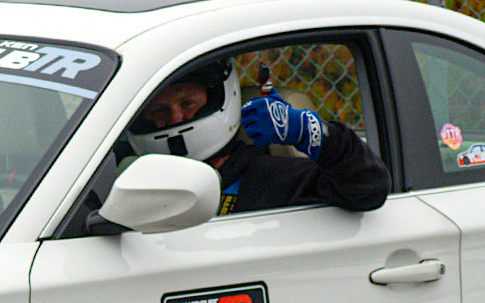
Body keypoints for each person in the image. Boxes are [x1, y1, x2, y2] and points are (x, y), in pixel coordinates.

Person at [125, 59, 389, 215]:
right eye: (159, 110)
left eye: (188, 104)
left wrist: (310, 132)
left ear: (221, 98)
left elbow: (367, 187)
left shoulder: (273, 177)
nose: (176, 120)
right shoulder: (131, 185)